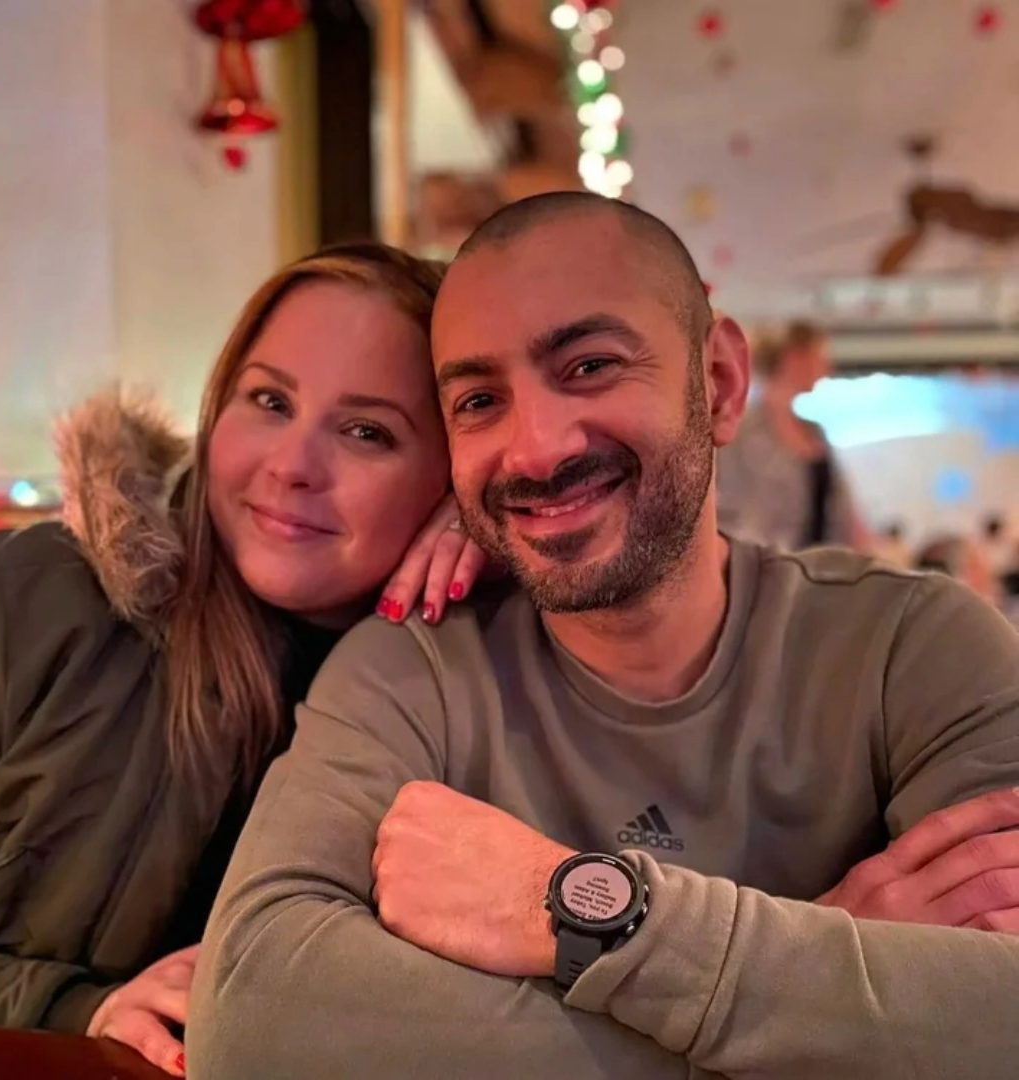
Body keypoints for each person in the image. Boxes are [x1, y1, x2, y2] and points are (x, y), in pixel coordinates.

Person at [188, 195, 1019, 1080]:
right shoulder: (410, 663)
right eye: (479, 400)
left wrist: (562, 908)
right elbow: (251, 1016)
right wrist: (819, 997)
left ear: (720, 382)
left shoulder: (915, 648)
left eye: (589, 366)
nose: (536, 450)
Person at [0, 242, 485, 1076]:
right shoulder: (17, 603)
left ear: (448, 478)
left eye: (366, 432)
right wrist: (75, 1011)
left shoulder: (478, 682)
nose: (292, 466)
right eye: (270, 400)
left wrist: (499, 534)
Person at [716, 319, 874, 551]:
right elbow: (732, 513)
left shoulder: (813, 431)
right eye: (820, 357)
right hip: (764, 565)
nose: (828, 367)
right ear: (795, 359)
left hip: (821, 566)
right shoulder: (740, 431)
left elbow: (843, 513)